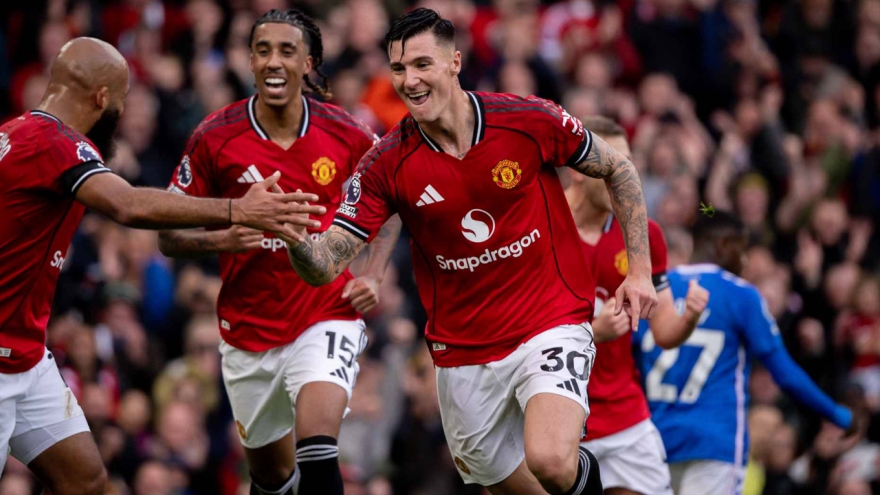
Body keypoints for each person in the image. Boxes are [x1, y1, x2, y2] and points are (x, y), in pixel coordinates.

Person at [283, 8, 659, 495]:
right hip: (462, 350)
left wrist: (640, 270)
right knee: (499, 482)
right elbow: (325, 263)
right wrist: (294, 236)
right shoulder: (385, 164)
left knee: (551, 460)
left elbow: (619, 169)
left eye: (422, 64)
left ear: (454, 62)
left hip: (550, 321)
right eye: (398, 69)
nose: (410, 81)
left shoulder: (528, 119)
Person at [0, 37, 323, 494]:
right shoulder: (55, 143)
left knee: (87, 482)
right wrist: (239, 209)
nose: (122, 112)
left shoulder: (17, 133)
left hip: (26, 357)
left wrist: (220, 238)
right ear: (102, 98)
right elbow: (129, 205)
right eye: (123, 100)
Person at [158, 9, 401, 495]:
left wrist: (373, 273)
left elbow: (390, 199)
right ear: (250, 60)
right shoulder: (215, 136)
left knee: (317, 447)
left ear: (308, 63)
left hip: (325, 311)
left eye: (287, 51)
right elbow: (169, 235)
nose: (274, 61)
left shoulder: (346, 131)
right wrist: (227, 234)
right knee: (271, 478)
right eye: (263, 50)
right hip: (248, 327)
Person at [633, 211, 857, 495]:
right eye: (742, 249)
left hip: (656, 441)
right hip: (716, 442)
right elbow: (785, 374)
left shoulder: (654, 290)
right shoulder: (741, 295)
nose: (745, 260)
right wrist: (837, 414)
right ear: (723, 245)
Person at [566, 116, 708, 495]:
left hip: (621, 412)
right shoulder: (538, 226)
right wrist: (592, 333)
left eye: (626, 163)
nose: (621, 176)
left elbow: (664, 332)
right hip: (554, 411)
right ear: (577, 169)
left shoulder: (644, 234)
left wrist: (690, 317)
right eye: (609, 164)